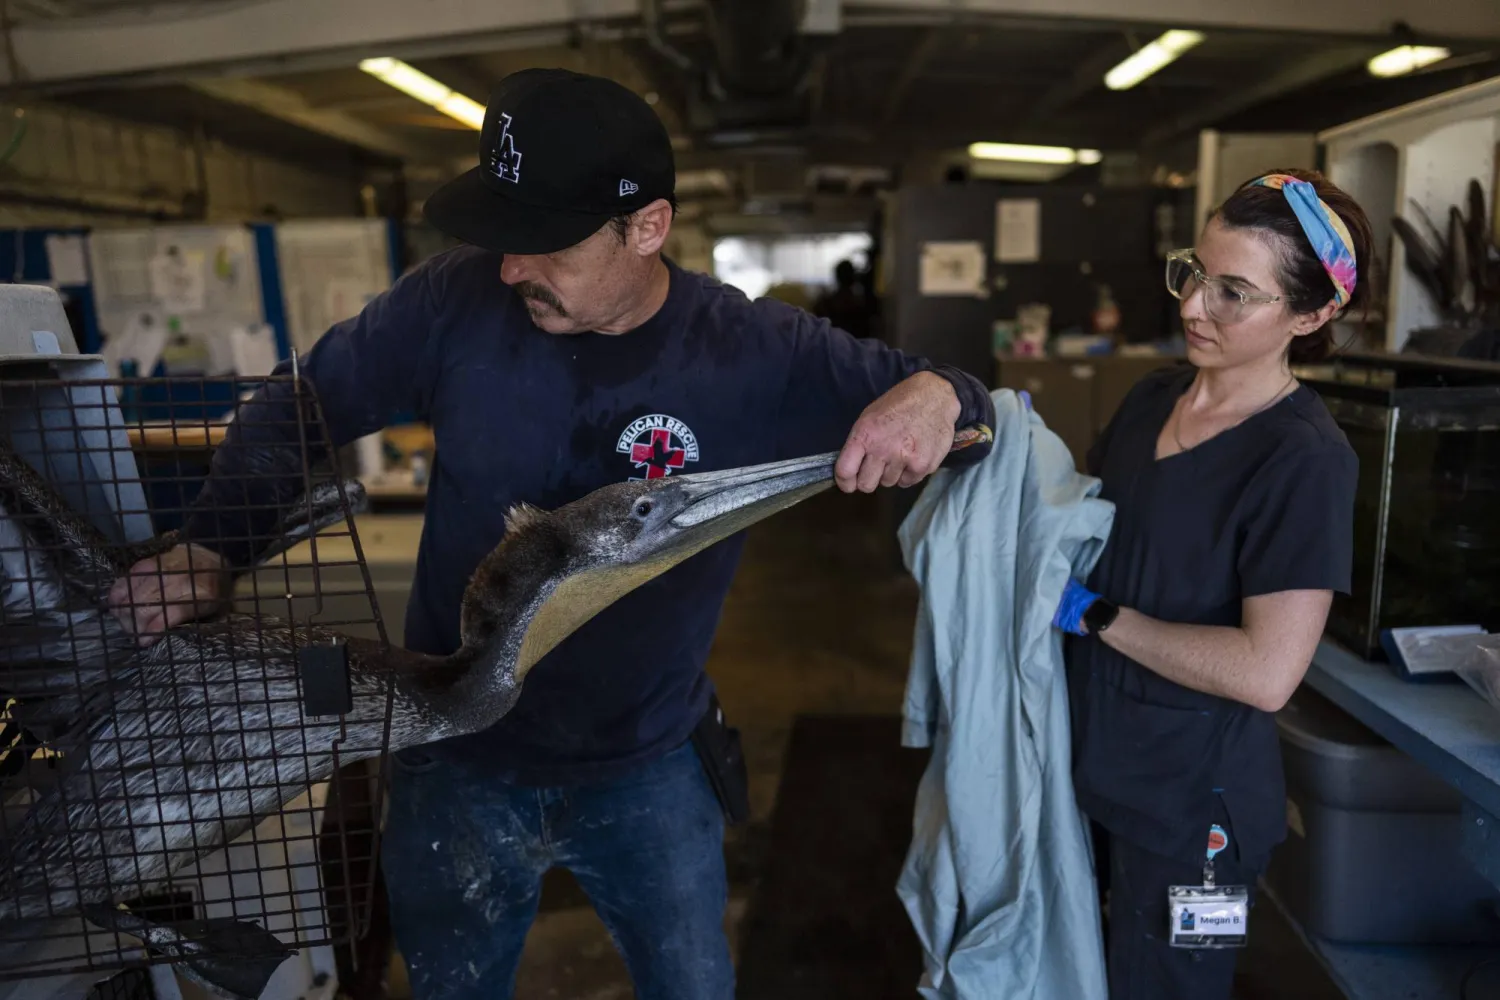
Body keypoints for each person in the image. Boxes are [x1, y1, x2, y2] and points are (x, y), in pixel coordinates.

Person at [107, 68, 995, 1000]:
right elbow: (300, 404)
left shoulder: (752, 351)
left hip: (646, 764)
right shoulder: (451, 303)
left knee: (692, 985)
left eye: (542, 245)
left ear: (646, 228)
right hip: (455, 754)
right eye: (502, 238)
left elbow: (955, 398)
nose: (510, 268)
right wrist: (211, 544)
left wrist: (934, 397)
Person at [1051, 169, 1365, 999]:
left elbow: (1267, 674)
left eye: (1235, 293)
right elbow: (1078, 524)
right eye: (1194, 271)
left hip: (1195, 816)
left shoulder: (1303, 460)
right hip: (1084, 768)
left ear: (1313, 313)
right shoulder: (1152, 398)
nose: (1194, 306)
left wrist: (1099, 618)